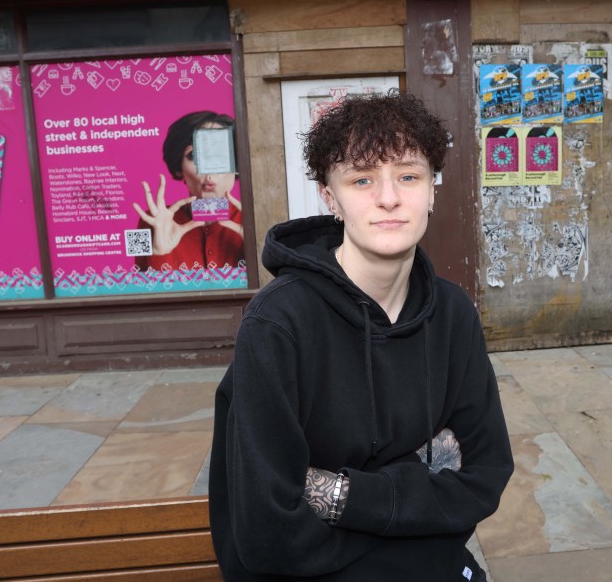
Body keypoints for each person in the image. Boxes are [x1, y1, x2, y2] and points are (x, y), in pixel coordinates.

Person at [208, 90, 513, 581]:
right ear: (331, 197)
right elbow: (267, 528)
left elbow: (484, 477)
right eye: (362, 178)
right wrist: (421, 487)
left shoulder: (453, 314)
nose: (388, 197)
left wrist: (334, 494)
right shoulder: (279, 323)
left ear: (432, 190)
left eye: (408, 176)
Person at [133, 111, 244, 272]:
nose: (209, 170)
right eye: (193, 155)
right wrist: (160, 254)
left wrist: (259, 248)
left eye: (220, 155)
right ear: (179, 167)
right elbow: (137, 286)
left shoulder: (257, 220)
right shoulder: (148, 220)